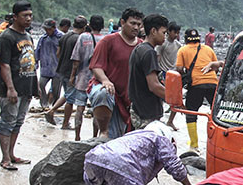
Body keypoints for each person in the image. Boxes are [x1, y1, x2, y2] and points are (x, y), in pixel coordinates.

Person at [0, 1, 37, 171]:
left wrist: (35, 87)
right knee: (7, 122)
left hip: (25, 87)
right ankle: (5, 158)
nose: (28, 19)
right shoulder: (6, 37)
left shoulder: (28, 36)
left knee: (18, 122)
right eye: (24, 16)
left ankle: (12, 154)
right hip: (10, 90)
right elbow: (3, 65)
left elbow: (31, 62)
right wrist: (10, 88)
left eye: (30, 15)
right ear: (15, 17)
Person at [88, 8, 143, 139]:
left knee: (121, 139)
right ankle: (103, 130)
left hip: (128, 98)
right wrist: (105, 80)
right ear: (123, 22)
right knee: (103, 93)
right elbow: (96, 66)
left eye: (138, 24)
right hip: (108, 89)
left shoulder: (141, 46)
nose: (136, 27)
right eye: (132, 23)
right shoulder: (108, 41)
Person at [176, 28, 223, 151]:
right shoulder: (208, 49)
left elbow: (179, 69)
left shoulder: (182, 50)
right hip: (213, 83)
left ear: (185, 38)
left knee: (191, 113)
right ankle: (218, 143)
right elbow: (216, 66)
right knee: (216, 114)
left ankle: (194, 144)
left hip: (196, 84)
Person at [45, 16, 87, 128]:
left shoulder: (64, 36)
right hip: (71, 72)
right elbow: (77, 60)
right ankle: (61, 120)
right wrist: (74, 74)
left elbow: (58, 53)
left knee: (68, 94)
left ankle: (54, 112)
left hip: (61, 70)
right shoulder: (79, 39)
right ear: (84, 27)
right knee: (70, 98)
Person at [128, 14, 169, 130]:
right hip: (146, 113)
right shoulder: (149, 53)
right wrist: (174, 98)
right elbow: (154, 86)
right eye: (163, 32)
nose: (164, 37)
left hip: (138, 109)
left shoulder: (139, 49)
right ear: (153, 31)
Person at [70, 15, 105, 141]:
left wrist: (72, 76)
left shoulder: (83, 37)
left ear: (89, 24)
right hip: (98, 81)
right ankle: (94, 137)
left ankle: (77, 137)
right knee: (97, 109)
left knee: (79, 108)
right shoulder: (105, 40)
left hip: (82, 79)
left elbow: (76, 60)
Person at [156, 21, 182, 130]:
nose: (176, 35)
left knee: (175, 99)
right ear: (169, 32)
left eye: (178, 33)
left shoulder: (179, 45)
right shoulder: (163, 44)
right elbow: (157, 57)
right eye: (174, 32)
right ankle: (158, 118)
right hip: (163, 73)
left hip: (174, 74)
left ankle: (170, 121)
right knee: (161, 97)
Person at [35, 18, 62, 109]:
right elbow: (37, 51)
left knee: (55, 90)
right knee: (41, 85)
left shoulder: (61, 37)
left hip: (57, 68)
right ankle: (44, 104)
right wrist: (36, 62)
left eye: (49, 29)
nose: (47, 31)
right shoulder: (43, 38)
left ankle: (54, 106)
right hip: (45, 68)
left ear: (54, 28)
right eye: (46, 29)